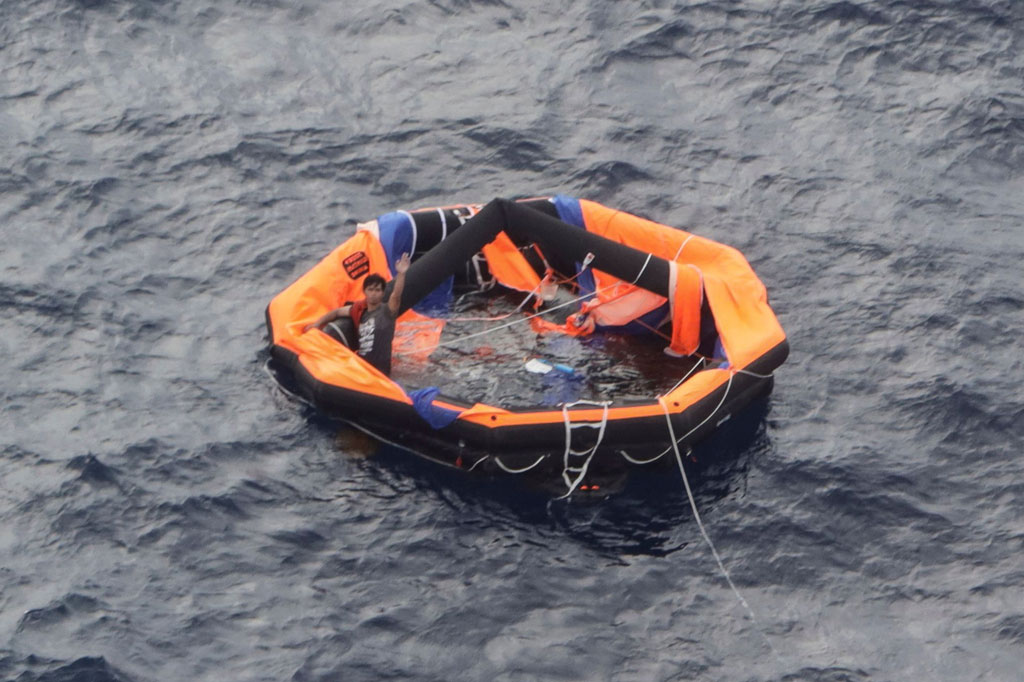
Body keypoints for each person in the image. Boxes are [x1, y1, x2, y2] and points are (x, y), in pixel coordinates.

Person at [304, 253, 411, 375]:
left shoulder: (387, 311)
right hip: (361, 369)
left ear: (382, 293)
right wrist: (317, 324)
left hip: (381, 372)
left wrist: (401, 273)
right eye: (370, 289)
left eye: (377, 290)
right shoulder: (359, 310)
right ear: (364, 291)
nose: (374, 293)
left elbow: (396, 295)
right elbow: (337, 312)